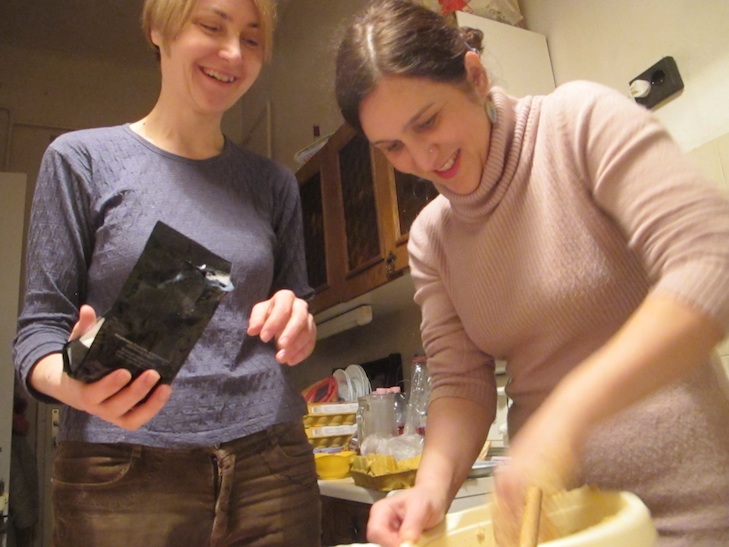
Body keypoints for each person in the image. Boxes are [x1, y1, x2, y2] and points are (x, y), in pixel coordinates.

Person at [334, 1, 729, 545]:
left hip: (689, 514)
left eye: (427, 122)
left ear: (474, 76)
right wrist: (430, 488)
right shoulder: (432, 238)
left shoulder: (576, 123)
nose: (422, 159)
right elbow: (461, 384)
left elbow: (710, 260)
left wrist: (567, 416)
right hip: (556, 527)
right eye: (393, 147)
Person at [13, 1, 321, 545]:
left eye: (252, 39)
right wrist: (72, 385)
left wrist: (299, 322)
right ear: (159, 27)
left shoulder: (273, 185)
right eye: (212, 26)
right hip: (119, 471)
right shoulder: (80, 160)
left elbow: (295, 307)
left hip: (271, 464)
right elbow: (38, 330)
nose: (233, 54)